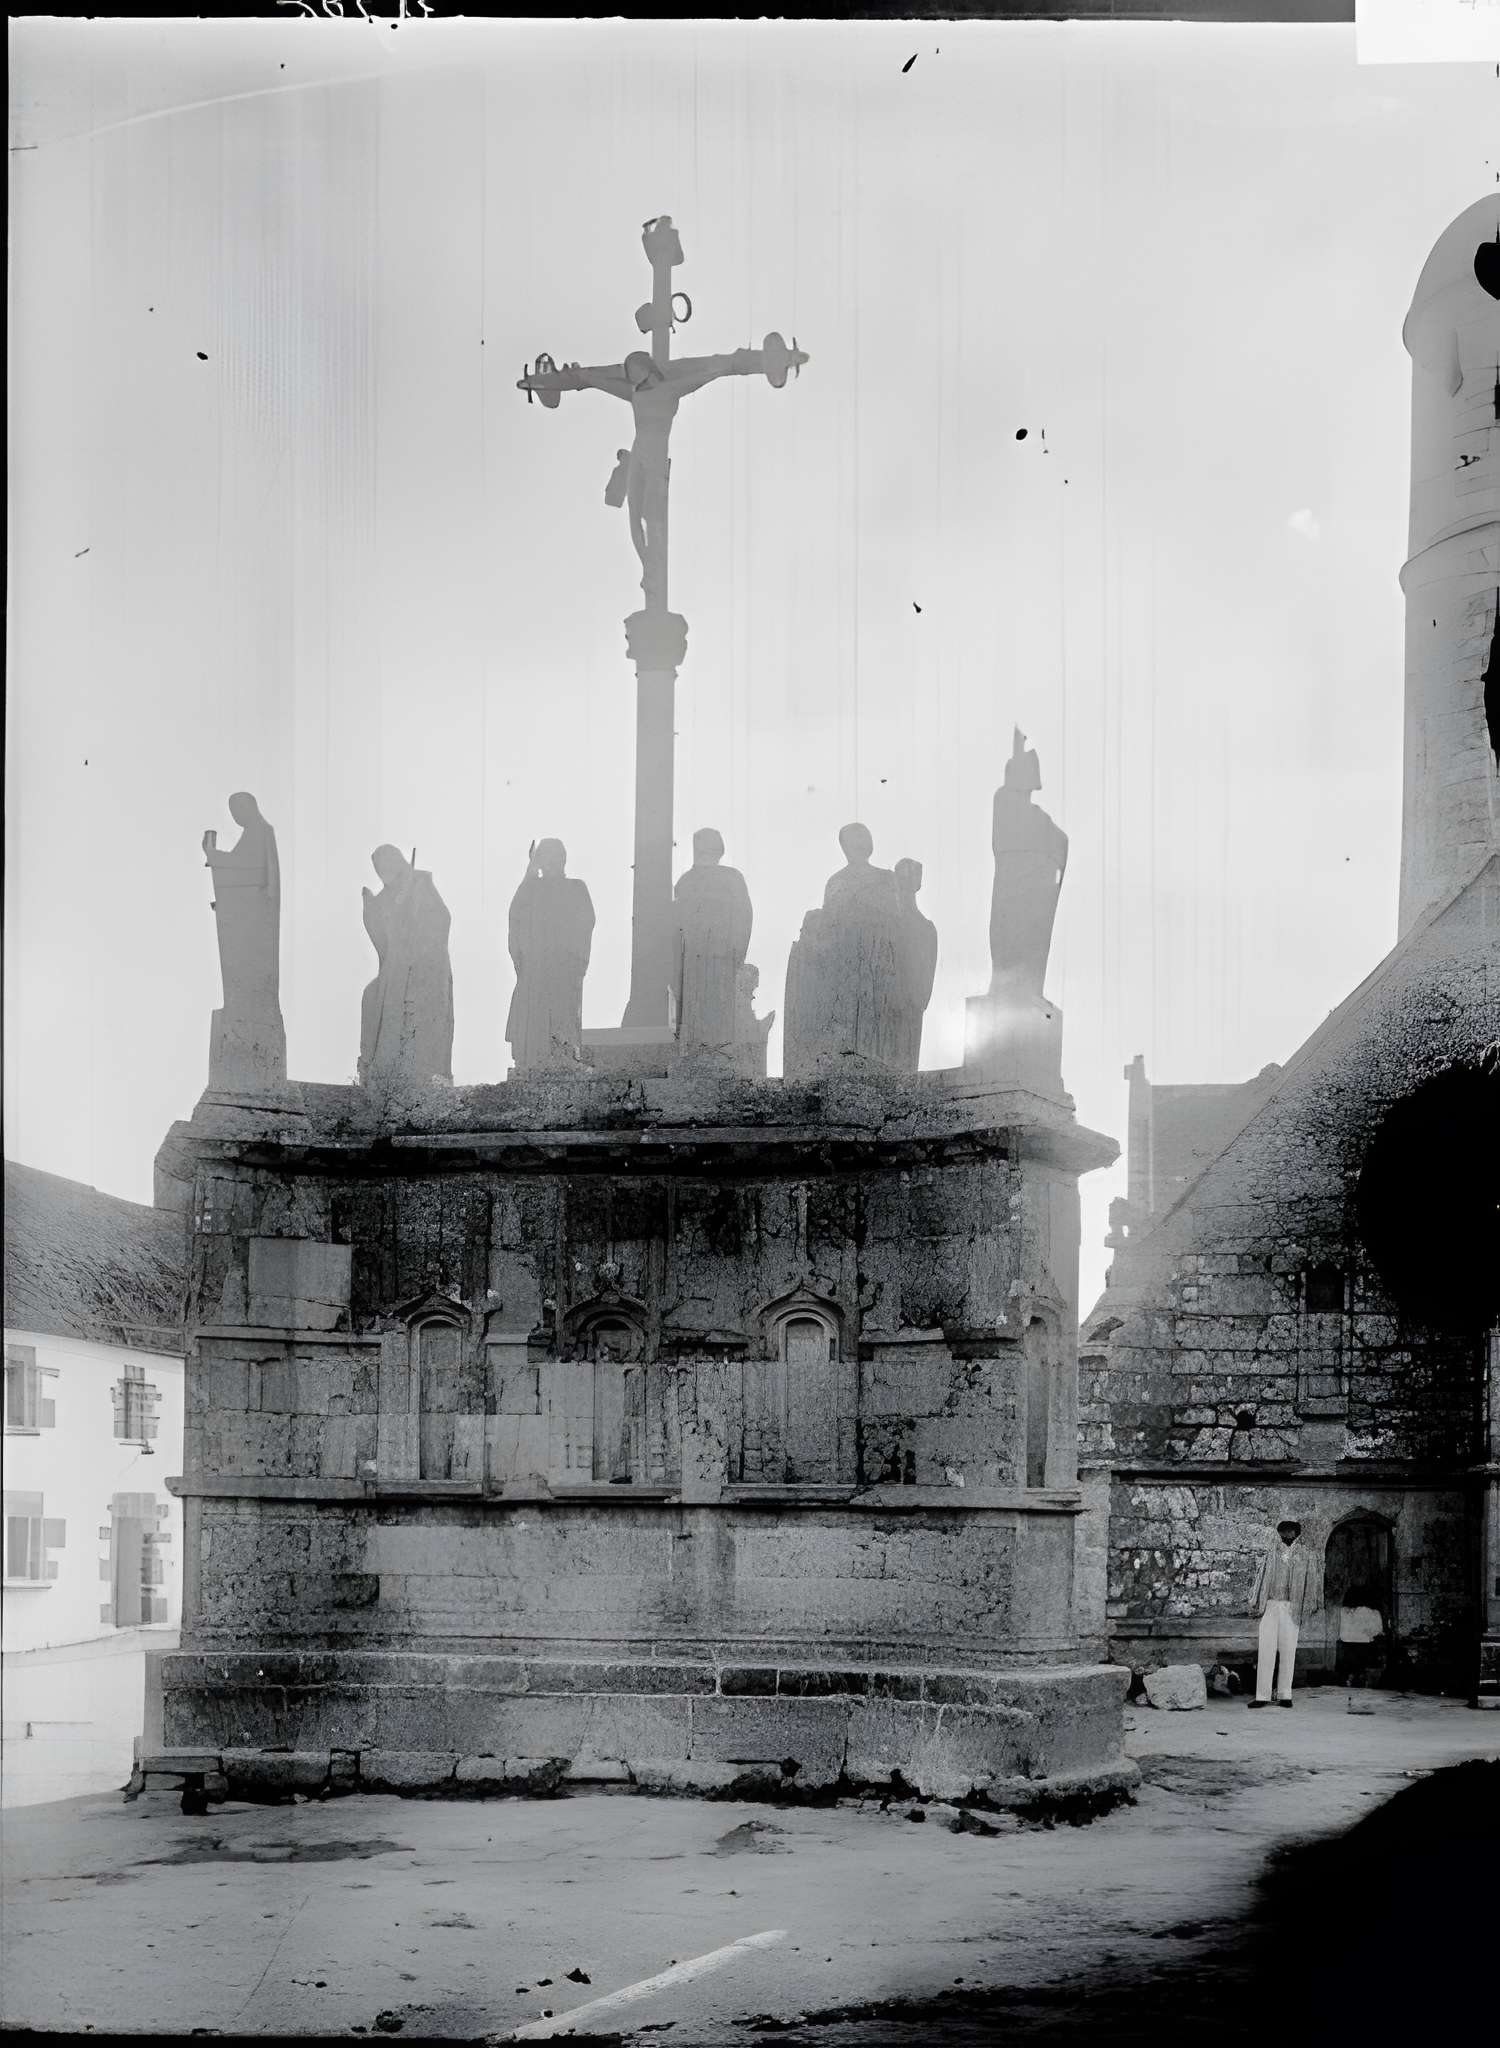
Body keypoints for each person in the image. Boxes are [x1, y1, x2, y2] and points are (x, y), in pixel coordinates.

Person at [358, 845, 454, 1088]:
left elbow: (442, 919)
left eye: (388, 863)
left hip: (423, 965)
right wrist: (370, 909)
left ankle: (421, 1073)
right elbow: (381, 938)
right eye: (379, 867)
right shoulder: (382, 900)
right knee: (371, 995)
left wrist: (417, 933)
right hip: (395, 967)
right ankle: (374, 1069)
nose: (383, 870)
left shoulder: (419, 882)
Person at [505, 839, 595, 1073]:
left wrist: (575, 958)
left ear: (564, 859)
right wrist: (530, 874)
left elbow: (586, 922)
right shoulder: (530, 889)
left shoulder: (576, 887)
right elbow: (516, 918)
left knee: (562, 1014)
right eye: (544, 857)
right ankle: (531, 1060)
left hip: (564, 964)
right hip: (535, 966)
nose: (551, 862)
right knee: (533, 1015)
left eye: (555, 856)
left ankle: (563, 1056)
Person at [671, 828, 753, 1058]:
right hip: (695, 957)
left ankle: (718, 1051)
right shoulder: (686, 882)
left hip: (721, 954)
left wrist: (737, 951)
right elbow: (677, 924)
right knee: (696, 1007)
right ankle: (701, 1051)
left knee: (718, 1006)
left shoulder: (731, 878)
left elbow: (743, 916)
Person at [1248, 1518, 1319, 1707]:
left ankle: (1285, 1694)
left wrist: (1309, 1604)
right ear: (1279, 1534)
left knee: (1289, 1650)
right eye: (1284, 1532)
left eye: (1291, 1532)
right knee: (1266, 1649)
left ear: (1296, 1534)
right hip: (1271, 1604)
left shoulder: (1305, 1555)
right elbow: (1261, 1578)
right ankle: (1262, 1696)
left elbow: (1311, 1581)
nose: (1287, 1535)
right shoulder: (1272, 1553)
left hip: (1292, 1606)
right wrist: (1257, 1602)